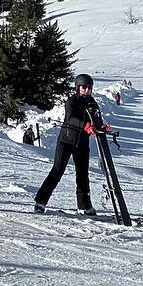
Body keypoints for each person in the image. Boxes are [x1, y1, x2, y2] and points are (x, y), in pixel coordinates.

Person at [34, 73, 102, 215]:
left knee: (83, 175)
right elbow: (71, 118)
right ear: (77, 87)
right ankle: (40, 202)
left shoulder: (92, 103)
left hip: (82, 143)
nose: (87, 90)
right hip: (66, 141)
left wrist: (101, 126)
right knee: (57, 171)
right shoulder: (72, 101)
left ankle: (84, 206)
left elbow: (96, 118)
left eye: (89, 88)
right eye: (84, 87)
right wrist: (86, 126)